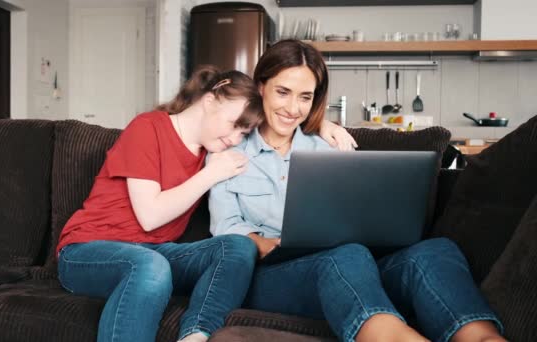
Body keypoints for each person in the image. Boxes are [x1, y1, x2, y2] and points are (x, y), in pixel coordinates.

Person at [209, 40, 506, 342]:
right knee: (345, 256)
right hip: (273, 275)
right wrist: (267, 243)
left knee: (434, 250)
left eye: (305, 97)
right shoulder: (228, 149)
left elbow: (357, 218)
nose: (292, 108)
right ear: (261, 87)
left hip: (351, 269)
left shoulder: (330, 149)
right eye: (282, 92)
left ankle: (483, 338)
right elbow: (225, 227)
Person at [56, 66, 265, 342]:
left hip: (155, 253)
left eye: (244, 133)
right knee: (149, 266)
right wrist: (210, 174)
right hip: (86, 251)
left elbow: (282, 132)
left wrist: (325, 125)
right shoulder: (148, 127)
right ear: (210, 100)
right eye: (234, 124)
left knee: (238, 246)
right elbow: (150, 216)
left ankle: (195, 335)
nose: (235, 138)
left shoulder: (213, 151)